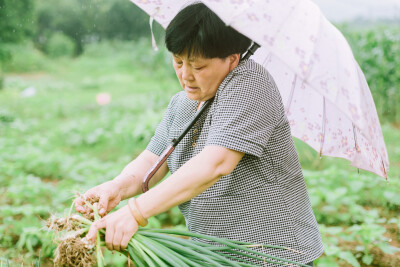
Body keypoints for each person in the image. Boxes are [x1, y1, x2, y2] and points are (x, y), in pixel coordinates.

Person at [75, 3, 323, 266]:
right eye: (178, 61)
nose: (185, 76)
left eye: (198, 66)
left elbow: (216, 163)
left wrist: (135, 212)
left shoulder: (251, 83)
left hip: (272, 254)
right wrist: (117, 187)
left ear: (232, 59)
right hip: (211, 255)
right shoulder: (182, 104)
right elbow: (152, 161)